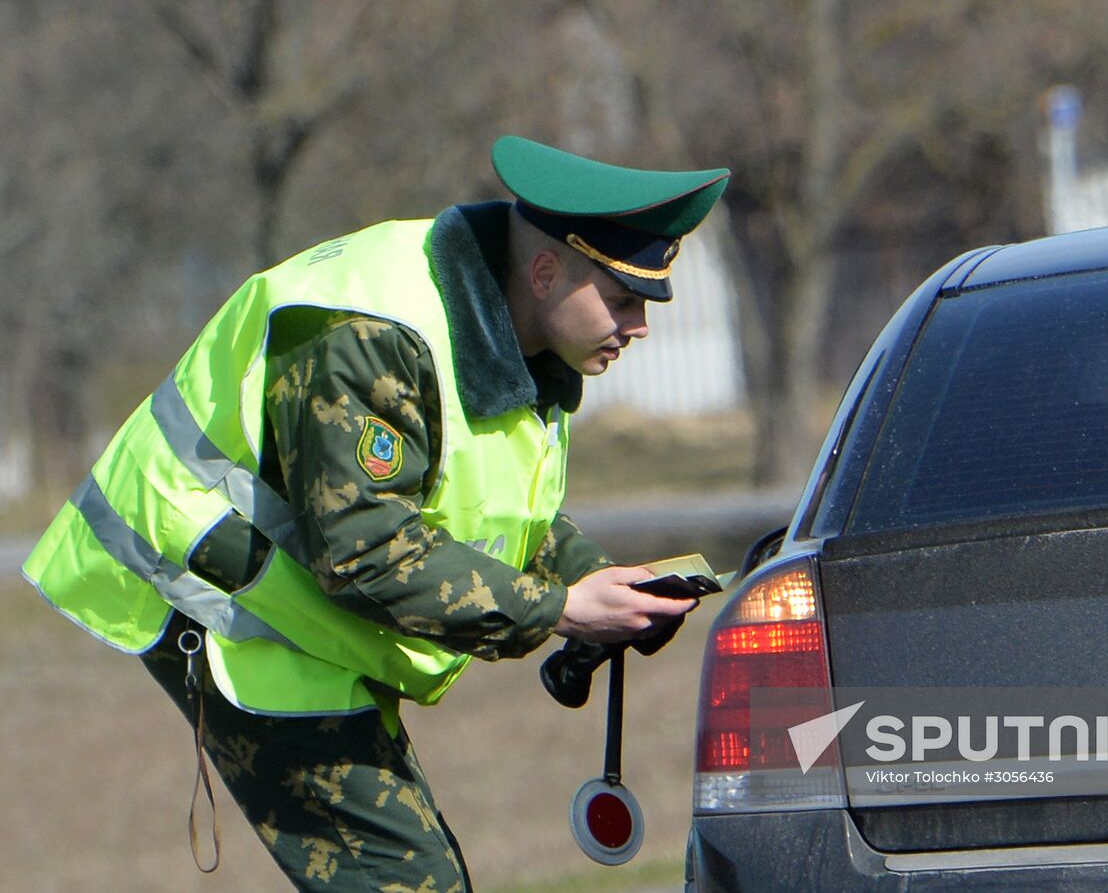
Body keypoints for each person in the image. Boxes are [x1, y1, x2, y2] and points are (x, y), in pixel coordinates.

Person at [21, 135, 731, 891]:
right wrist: (558, 609)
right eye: (623, 301)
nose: (641, 328)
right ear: (546, 271)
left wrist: (600, 580)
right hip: (212, 591)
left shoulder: (521, 334)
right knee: (407, 880)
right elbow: (365, 551)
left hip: (295, 594)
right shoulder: (369, 335)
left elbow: (485, 505)